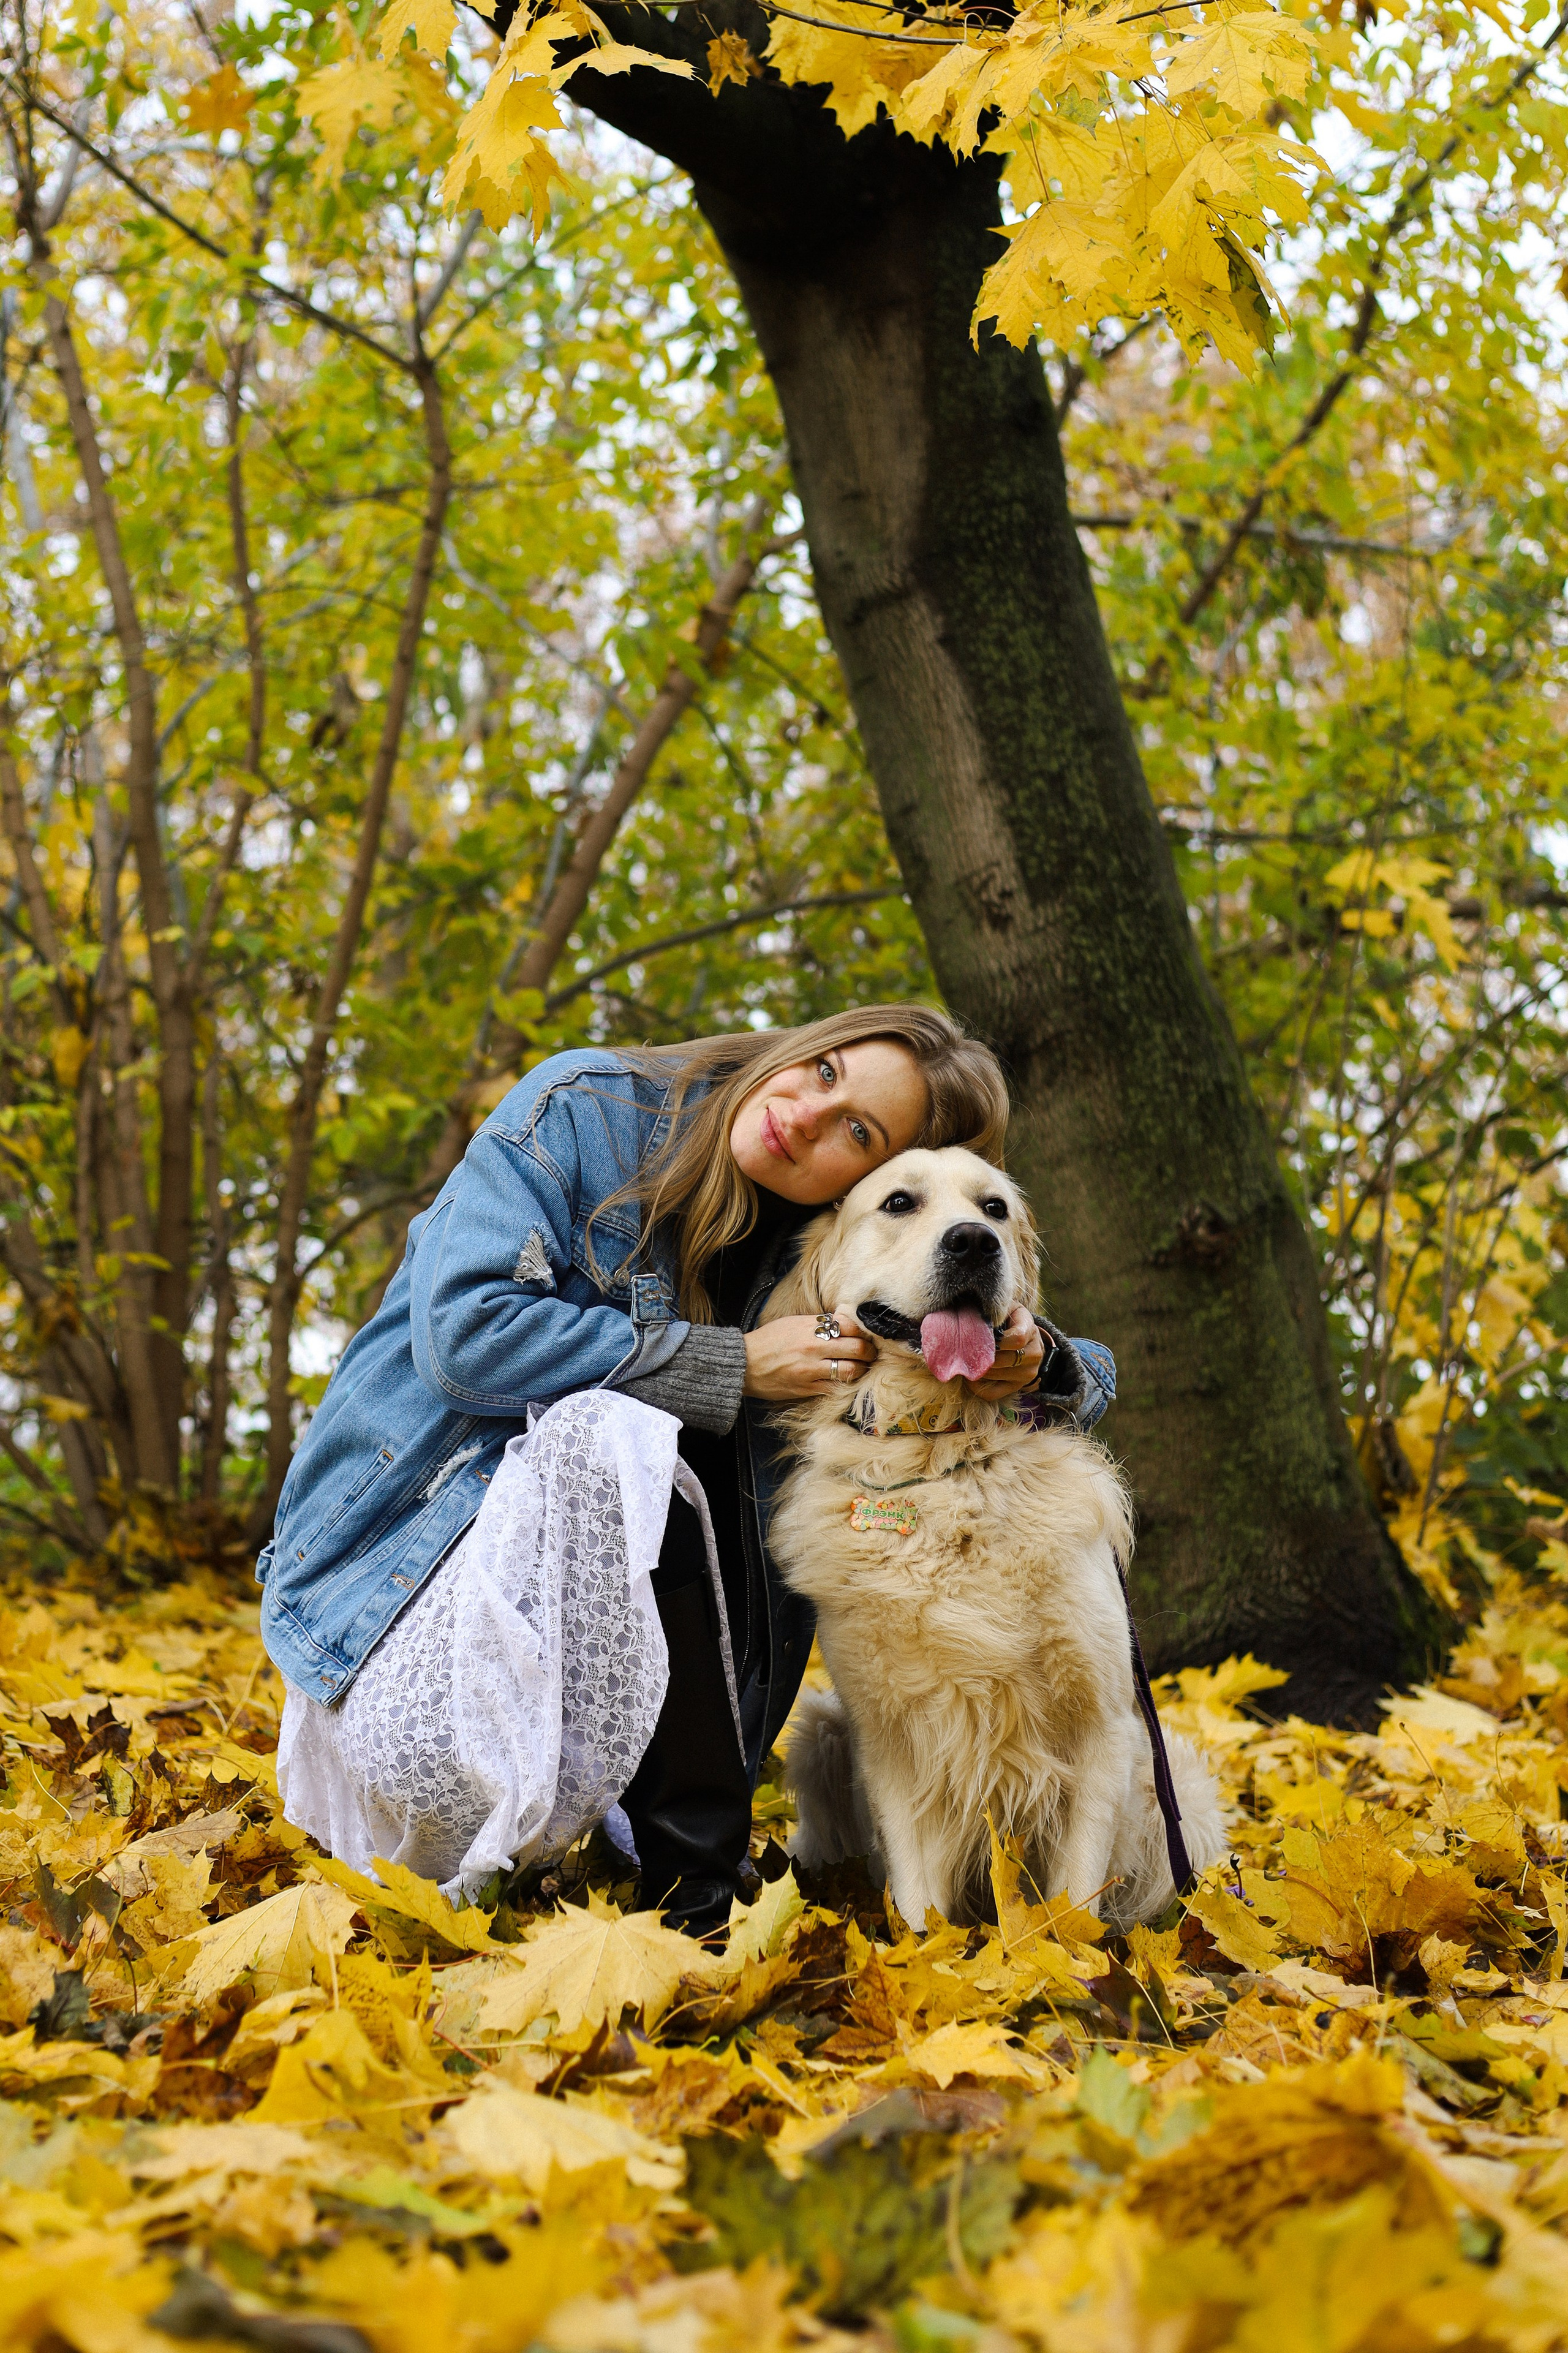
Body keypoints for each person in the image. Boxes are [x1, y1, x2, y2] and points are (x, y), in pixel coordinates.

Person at [258, 1007, 1116, 1933]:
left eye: (858, 1135)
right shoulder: (580, 1111)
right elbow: (465, 1336)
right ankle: (697, 1904)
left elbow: (1071, 1361)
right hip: (398, 1631)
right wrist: (730, 1364)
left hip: (628, 1738)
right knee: (608, 1427)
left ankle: (684, 1875)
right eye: (824, 1071)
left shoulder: (825, 1259)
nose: (807, 1113)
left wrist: (1039, 1354)